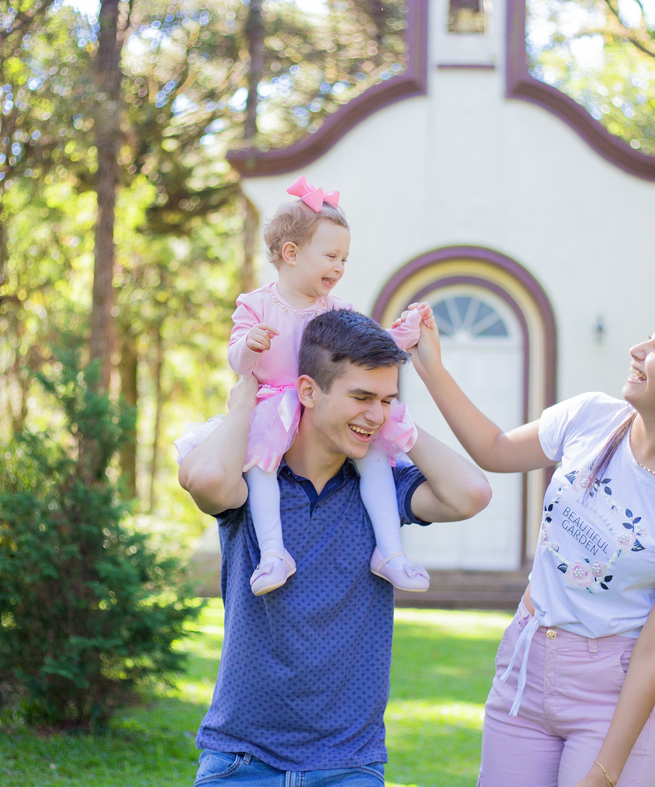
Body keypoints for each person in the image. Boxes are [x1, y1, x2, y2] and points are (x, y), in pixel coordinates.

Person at [400, 301, 655, 787]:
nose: (636, 351)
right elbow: (495, 449)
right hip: (525, 666)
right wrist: (429, 367)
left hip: (611, 696)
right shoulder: (590, 417)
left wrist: (605, 772)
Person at [179, 308, 491, 785]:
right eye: (362, 397)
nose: (375, 414)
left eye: (387, 400)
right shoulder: (250, 481)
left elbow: (471, 493)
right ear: (307, 390)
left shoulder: (382, 488)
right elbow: (203, 480)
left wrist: (399, 424)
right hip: (241, 759)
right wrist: (246, 403)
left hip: (350, 763)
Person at [175, 176, 430, 596]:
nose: (340, 267)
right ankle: (274, 551)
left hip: (321, 408)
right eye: (331, 255)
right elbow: (237, 361)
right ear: (291, 253)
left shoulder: (338, 310)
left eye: (345, 259)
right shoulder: (256, 304)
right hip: (273, 404)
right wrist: (249, 346)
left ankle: (390, 551)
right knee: (261, 467)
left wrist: (399, 336)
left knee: (375, 457)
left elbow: (366, 352)